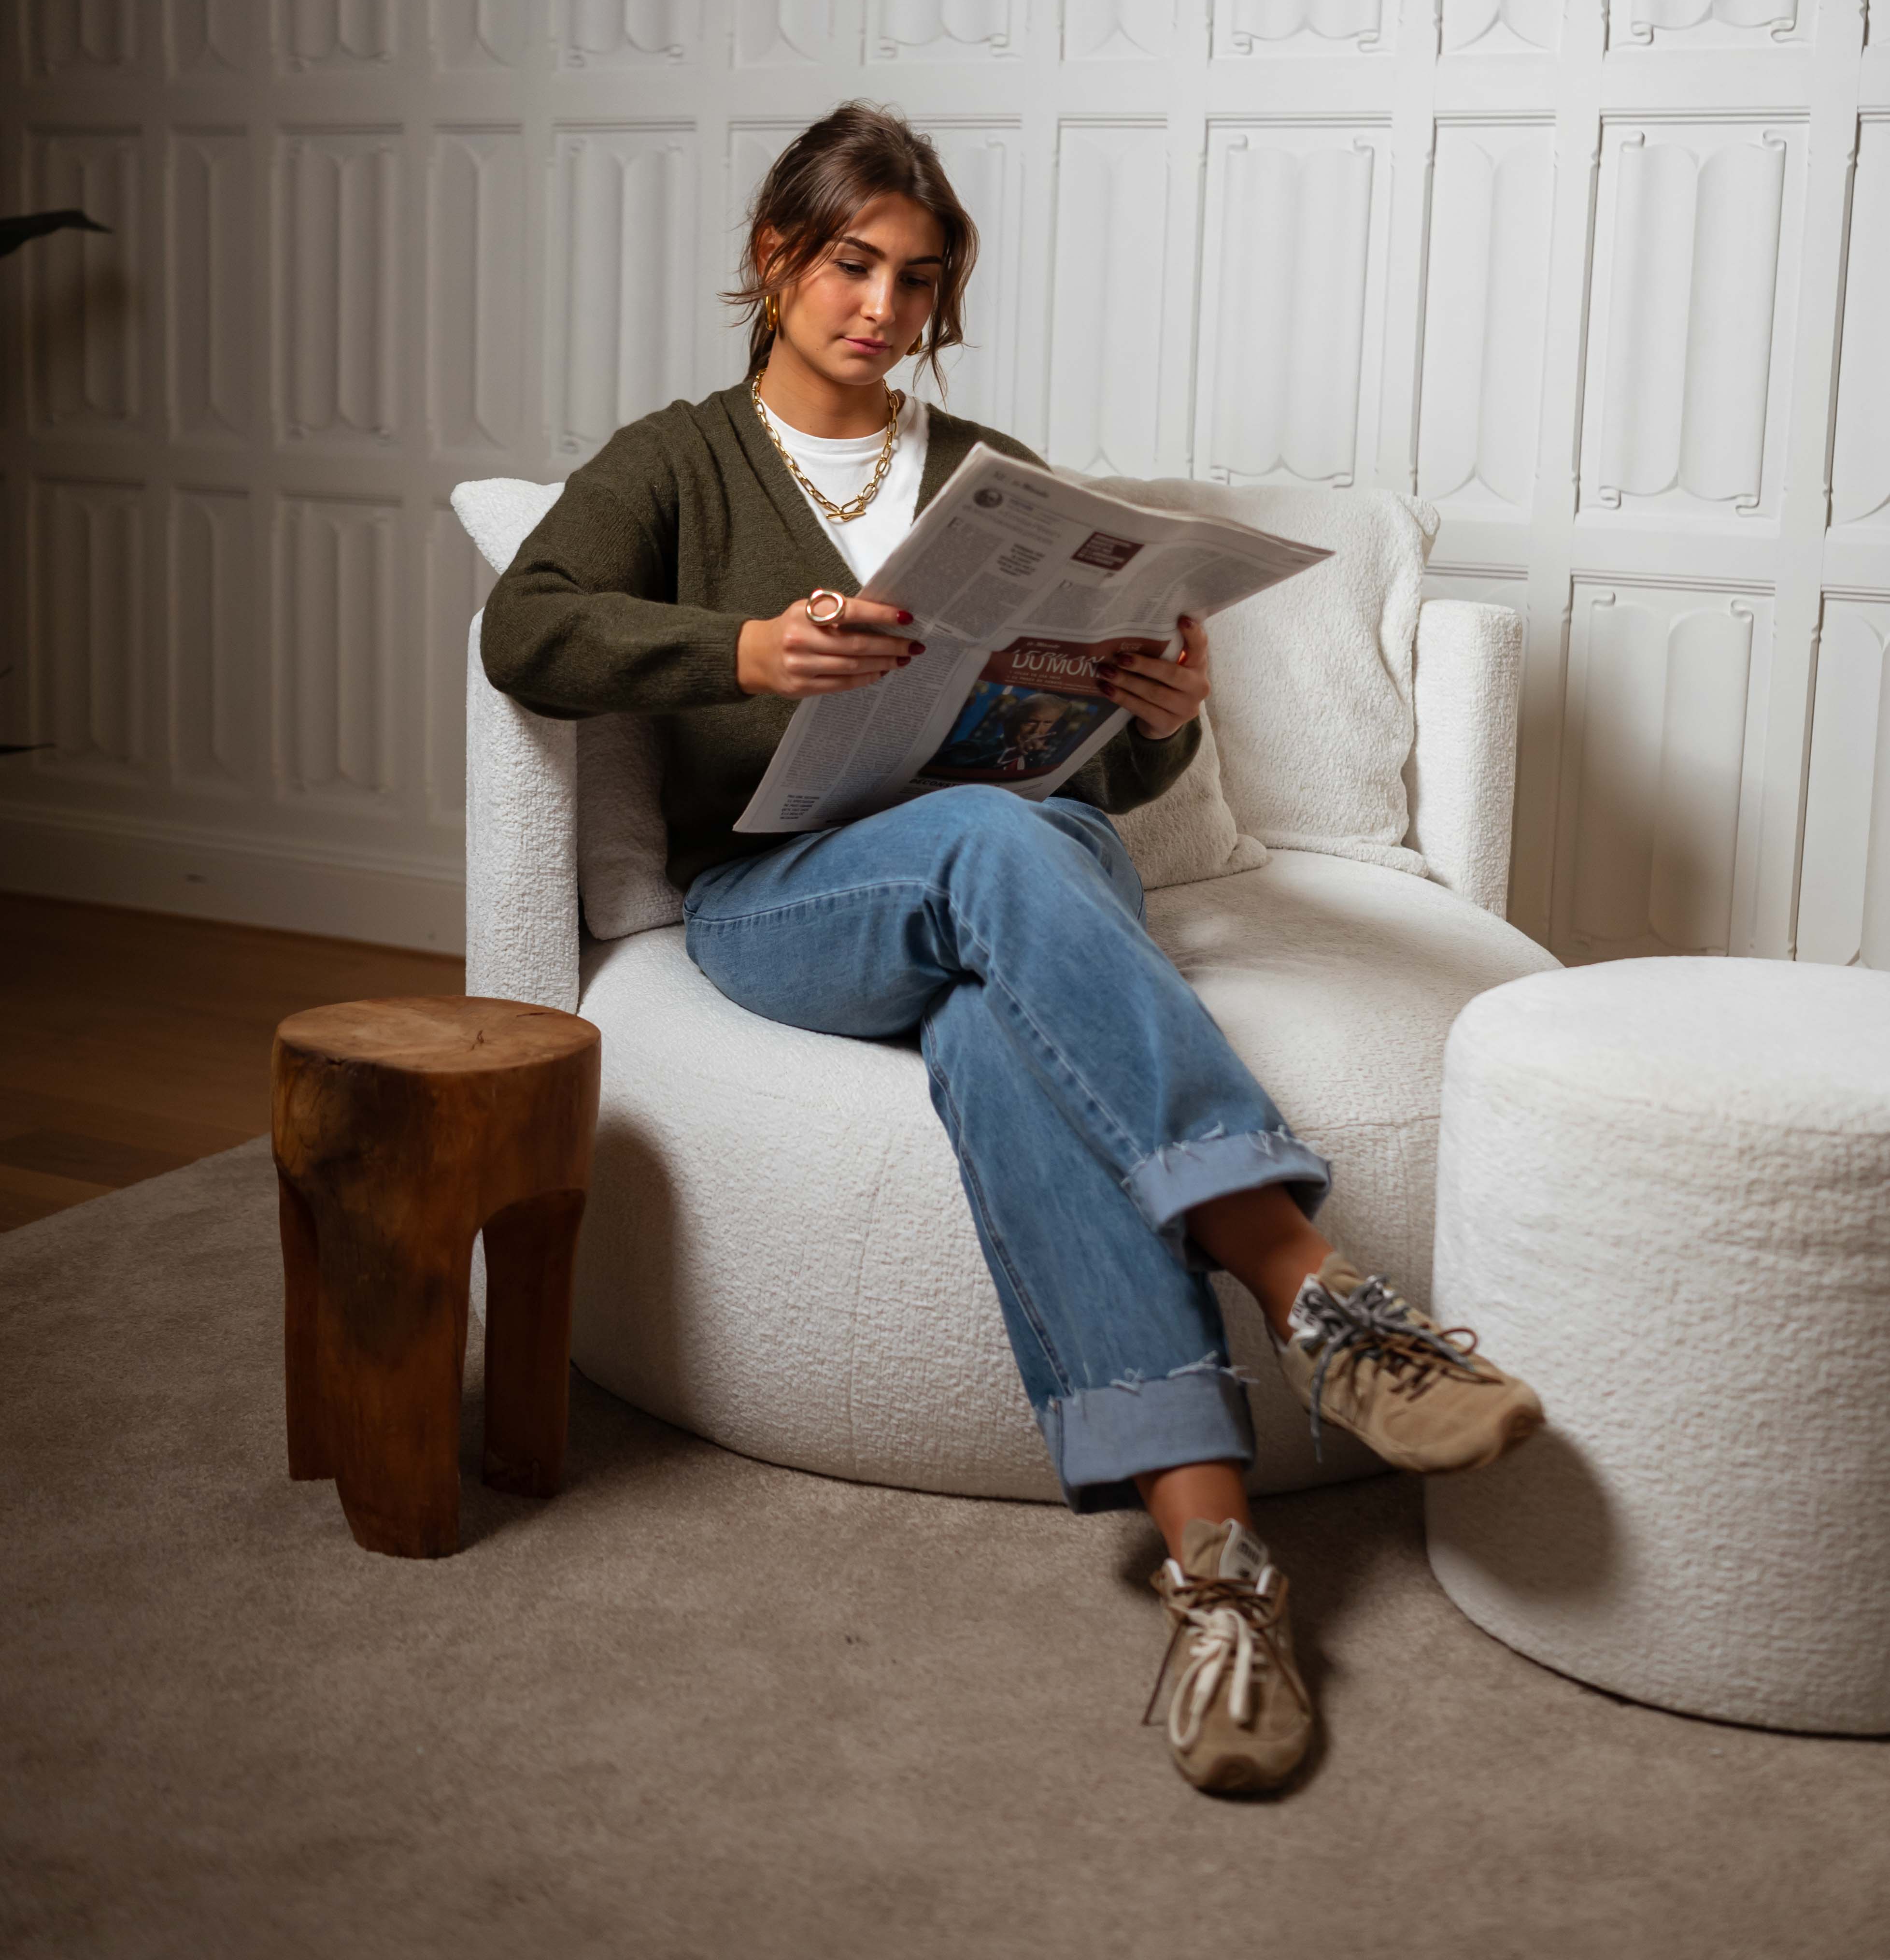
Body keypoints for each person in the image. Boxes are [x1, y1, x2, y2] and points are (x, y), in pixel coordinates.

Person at [481, 103, 1543, 1797]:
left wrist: (1161, 717)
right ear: (775, 257)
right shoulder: (674, 461)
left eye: (917, 279)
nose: (881, 308)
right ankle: (1303, 1283)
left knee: (1003, 984)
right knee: (1001, 842)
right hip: (781, 900)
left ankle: (1217, 1567)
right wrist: (745, 648)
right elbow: (524, 628)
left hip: (1012, 880)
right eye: (850, 264)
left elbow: (1091, 772)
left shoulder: (990, 469)